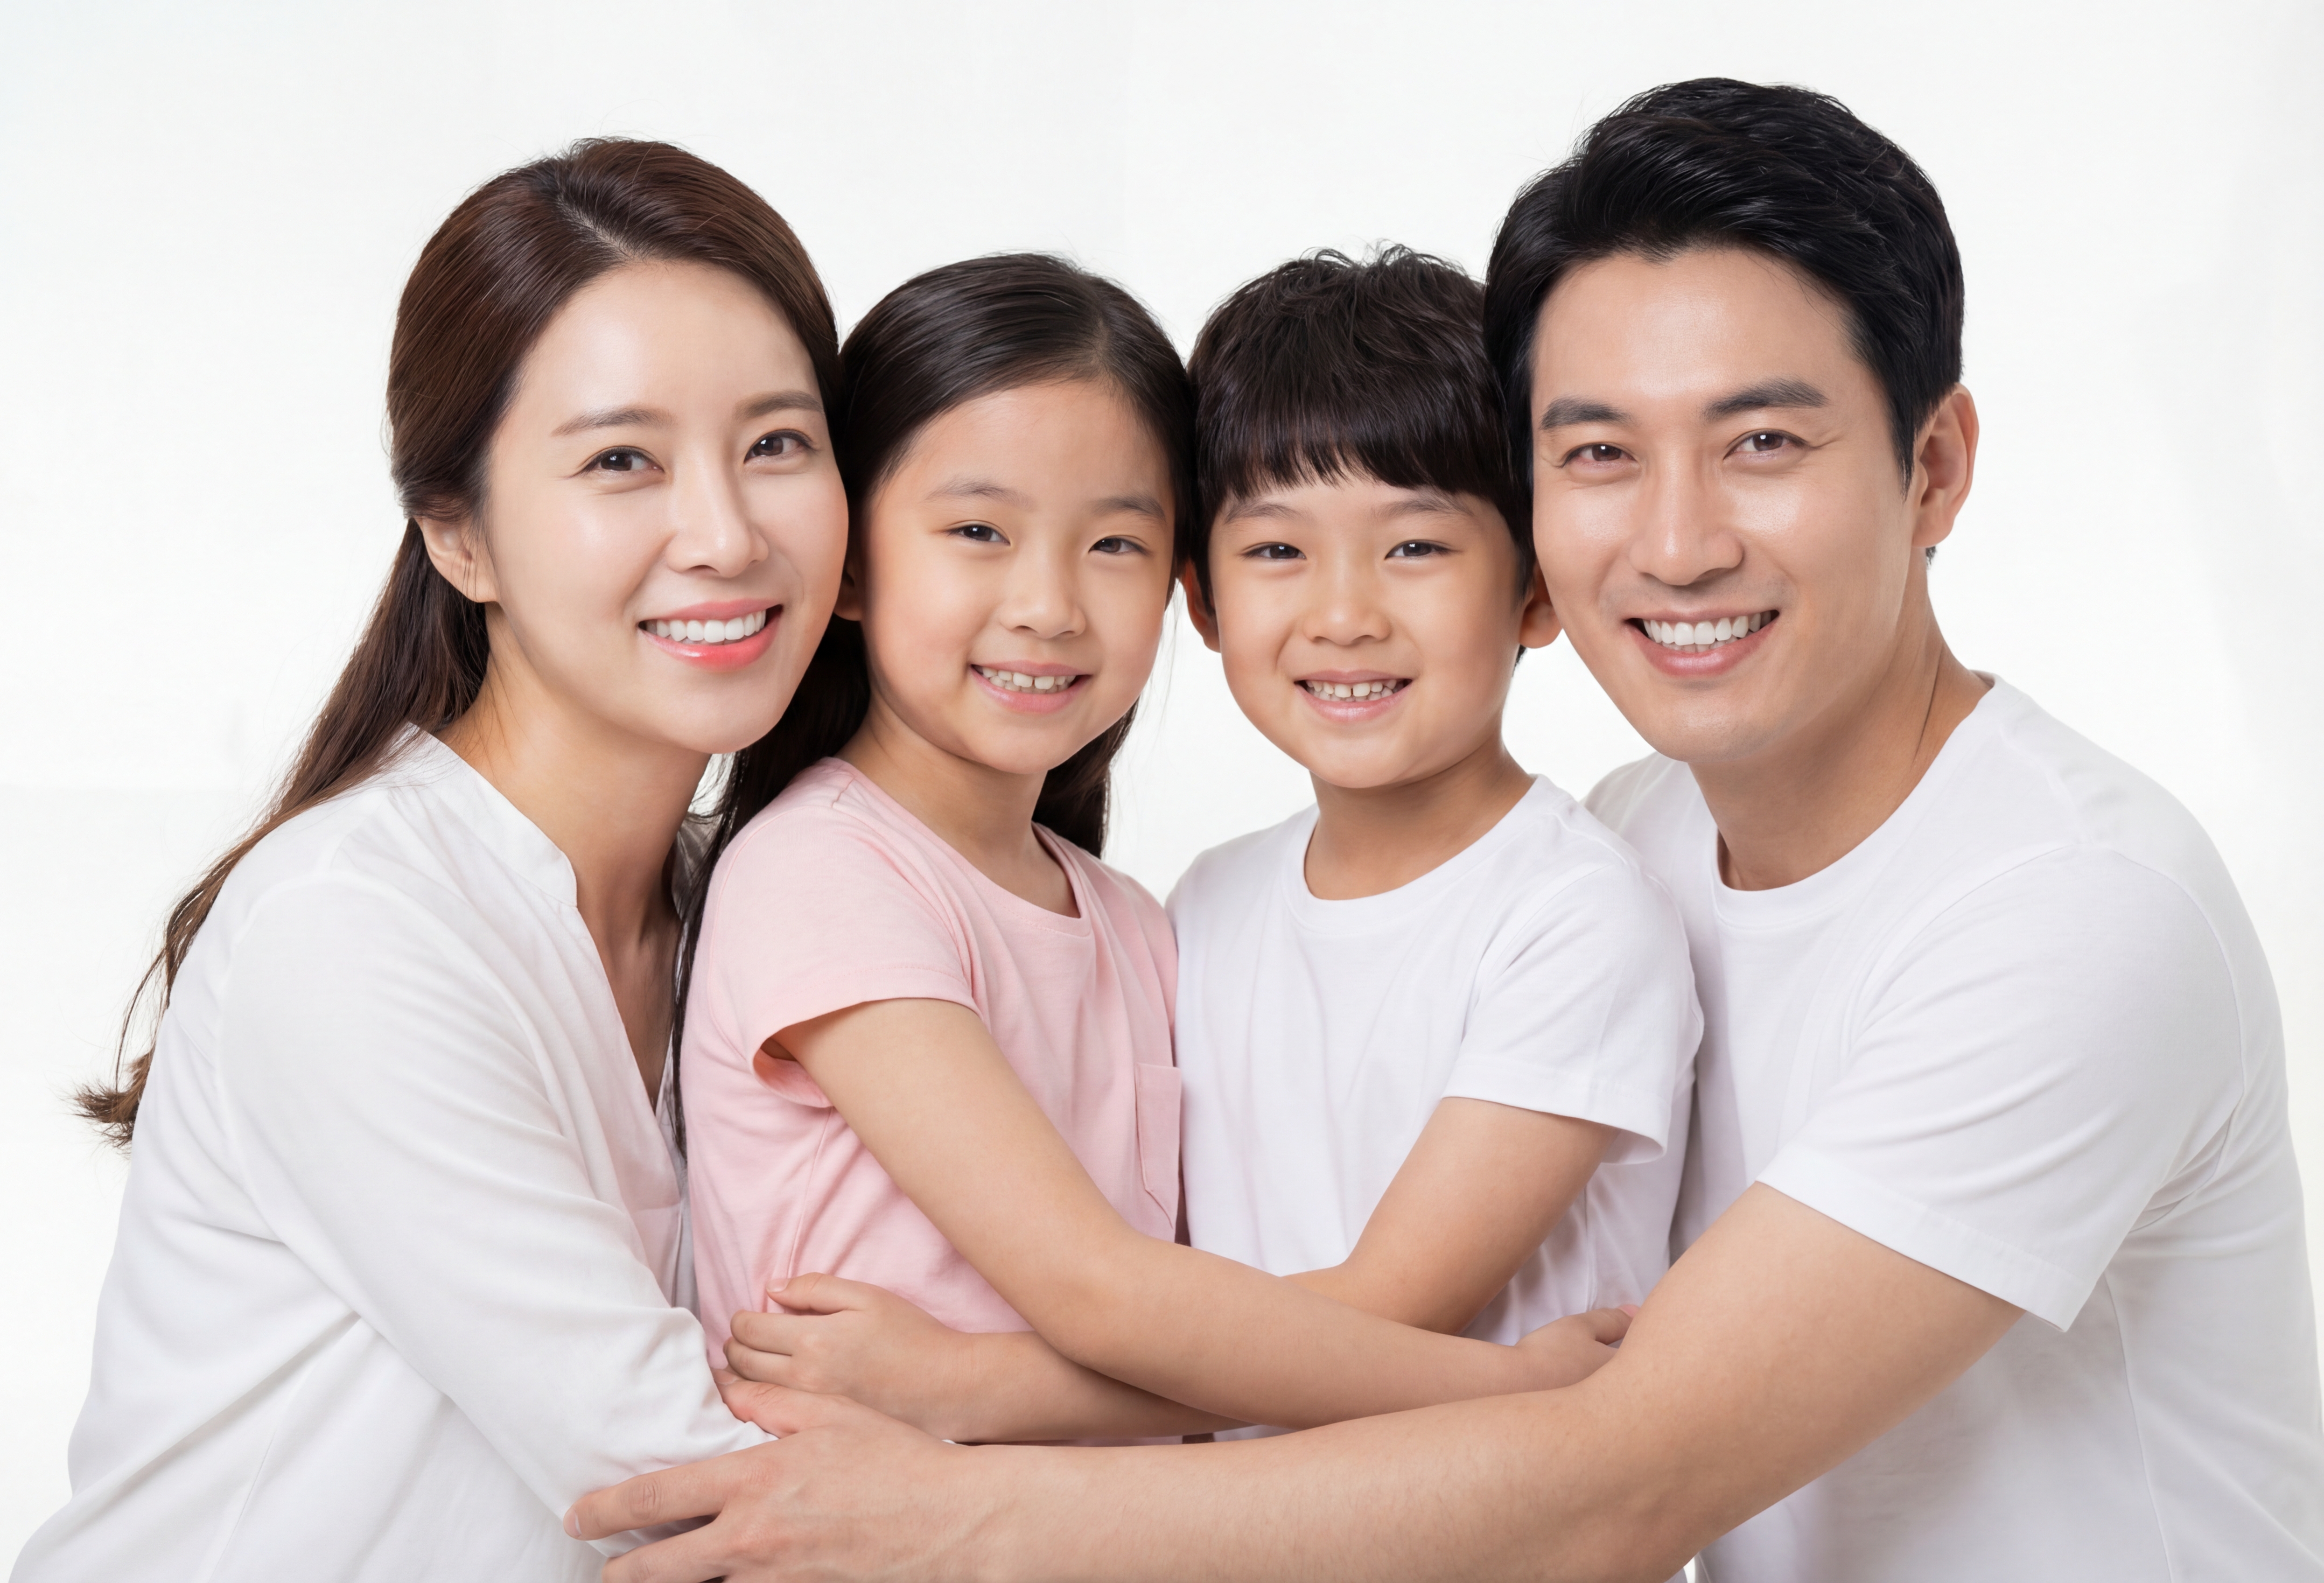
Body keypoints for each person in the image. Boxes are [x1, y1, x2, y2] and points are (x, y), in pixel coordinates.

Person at [566, 80, 2324, 1583]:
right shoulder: (1619, 842)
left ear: (1932, 467)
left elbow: (1619, 1480)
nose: (1678, 538)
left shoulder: (2067, 913)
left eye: (1762, 439)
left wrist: (958, 1494)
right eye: (1600, 455)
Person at [15, 140, 852, 1582]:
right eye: (621, 461)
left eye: (776, 443)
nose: (723, 534)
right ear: (458, 535)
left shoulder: (758, 902)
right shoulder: (354, 928)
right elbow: (697, 1488)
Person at [711, 247, 1695, 1445]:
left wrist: (968, 1385)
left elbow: (1293, 1315)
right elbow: (1130, 1301)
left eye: (1417, 547)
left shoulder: (1150, 921)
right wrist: (1520, 1387)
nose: (1047, 605)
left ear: (1535, 589)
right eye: (977, 528)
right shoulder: (850, 872)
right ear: (1211, 595)